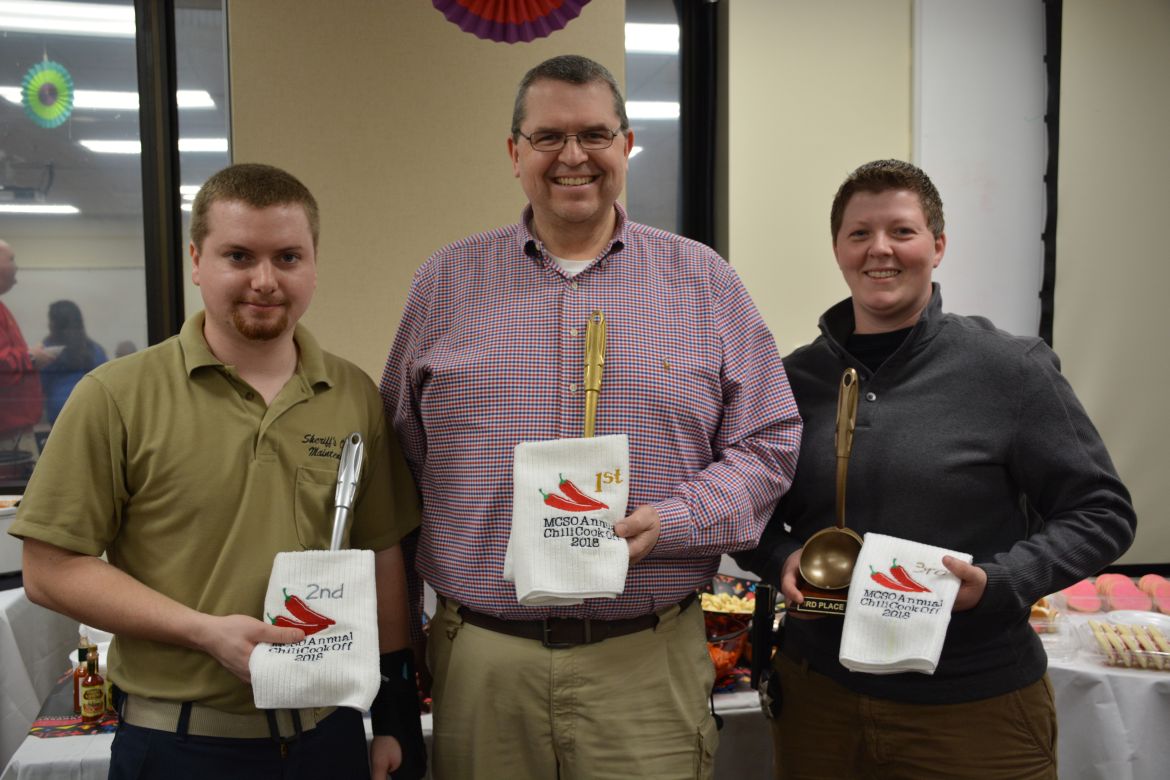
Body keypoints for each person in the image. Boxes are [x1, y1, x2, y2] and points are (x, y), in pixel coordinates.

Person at [381, 54, 802, 780]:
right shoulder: (445, 283)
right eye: (548, 137)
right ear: (515, 153)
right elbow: (402, 462)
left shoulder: (703, 282)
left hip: (645, 660)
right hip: (485, 664)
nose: (572, 156)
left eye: (595, 135)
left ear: (626, 145)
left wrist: (676, 519)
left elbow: (768, 442)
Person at [10, 164, 427, 779]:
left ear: (313, 265)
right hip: (177, 743)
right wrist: (203, 632)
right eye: (239, 256)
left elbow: (381, 554)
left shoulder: (353, 394)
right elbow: (49, 569)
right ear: (196, 261)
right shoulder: (116, 396)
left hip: (328, 735)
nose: (265, 280)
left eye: (288, 257)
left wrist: (395, 712)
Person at [733, 159, 1137, 780]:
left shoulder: (1011, 370)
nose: (880, 250)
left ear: (938, 246)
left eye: (902, 231)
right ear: (838, 250)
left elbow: (1102, 513)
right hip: (819, 701)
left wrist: (1001, 582)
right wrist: (780, 558)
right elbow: (746, 506)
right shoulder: (793, 380)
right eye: (860, 234)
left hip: (973, 706)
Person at [32, 299, 108, 423]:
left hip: (59, 418)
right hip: (92, 415)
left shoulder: (46, 352)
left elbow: (39, 387)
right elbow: (105, 386)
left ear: (54, 325)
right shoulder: (95, 350)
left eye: (50, 321)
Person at [0, 239, 45, 443]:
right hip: (7, 432)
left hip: (13, 428)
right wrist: (31, 358)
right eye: (11, 259)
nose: (17, 267)